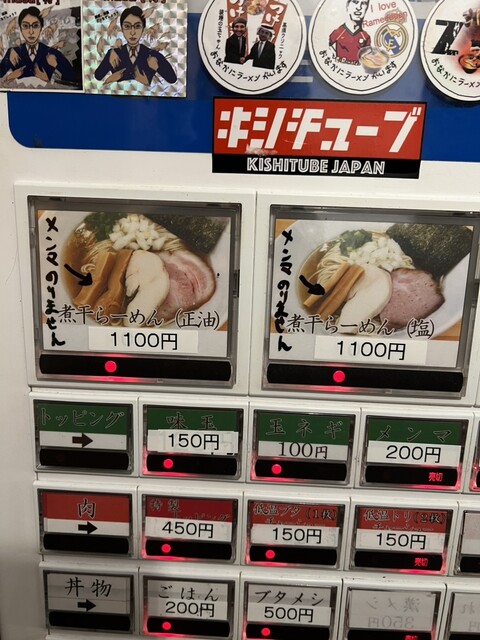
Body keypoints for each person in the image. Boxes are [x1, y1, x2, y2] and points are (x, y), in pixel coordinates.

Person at [95, 5, 177, 86]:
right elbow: (98, 76)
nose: (132, 32)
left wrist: (156, 67)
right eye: (127, 26)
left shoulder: (153, 55)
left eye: (137, 26)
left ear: (143, 28)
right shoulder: (114, 54)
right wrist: (108, 58)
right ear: (122, 29)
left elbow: (172, 79)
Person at [0, 6, 75, 84]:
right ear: (20, 29)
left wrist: (51, 79)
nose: (31, 32)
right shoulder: (13, 53)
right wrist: (9, 77)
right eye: (25, 26)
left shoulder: (53, 53)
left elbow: (73, 80)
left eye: (35, 26)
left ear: (41, 27)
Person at [329, 0, 371, 64]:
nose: (359, 7)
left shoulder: (366, 36)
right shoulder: (339, 32)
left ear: (366, 8)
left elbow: (368, 56)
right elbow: (327, 45)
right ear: (347, 6)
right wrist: (334, 56)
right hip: (339, 68)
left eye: (364, 3)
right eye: (355, 2)